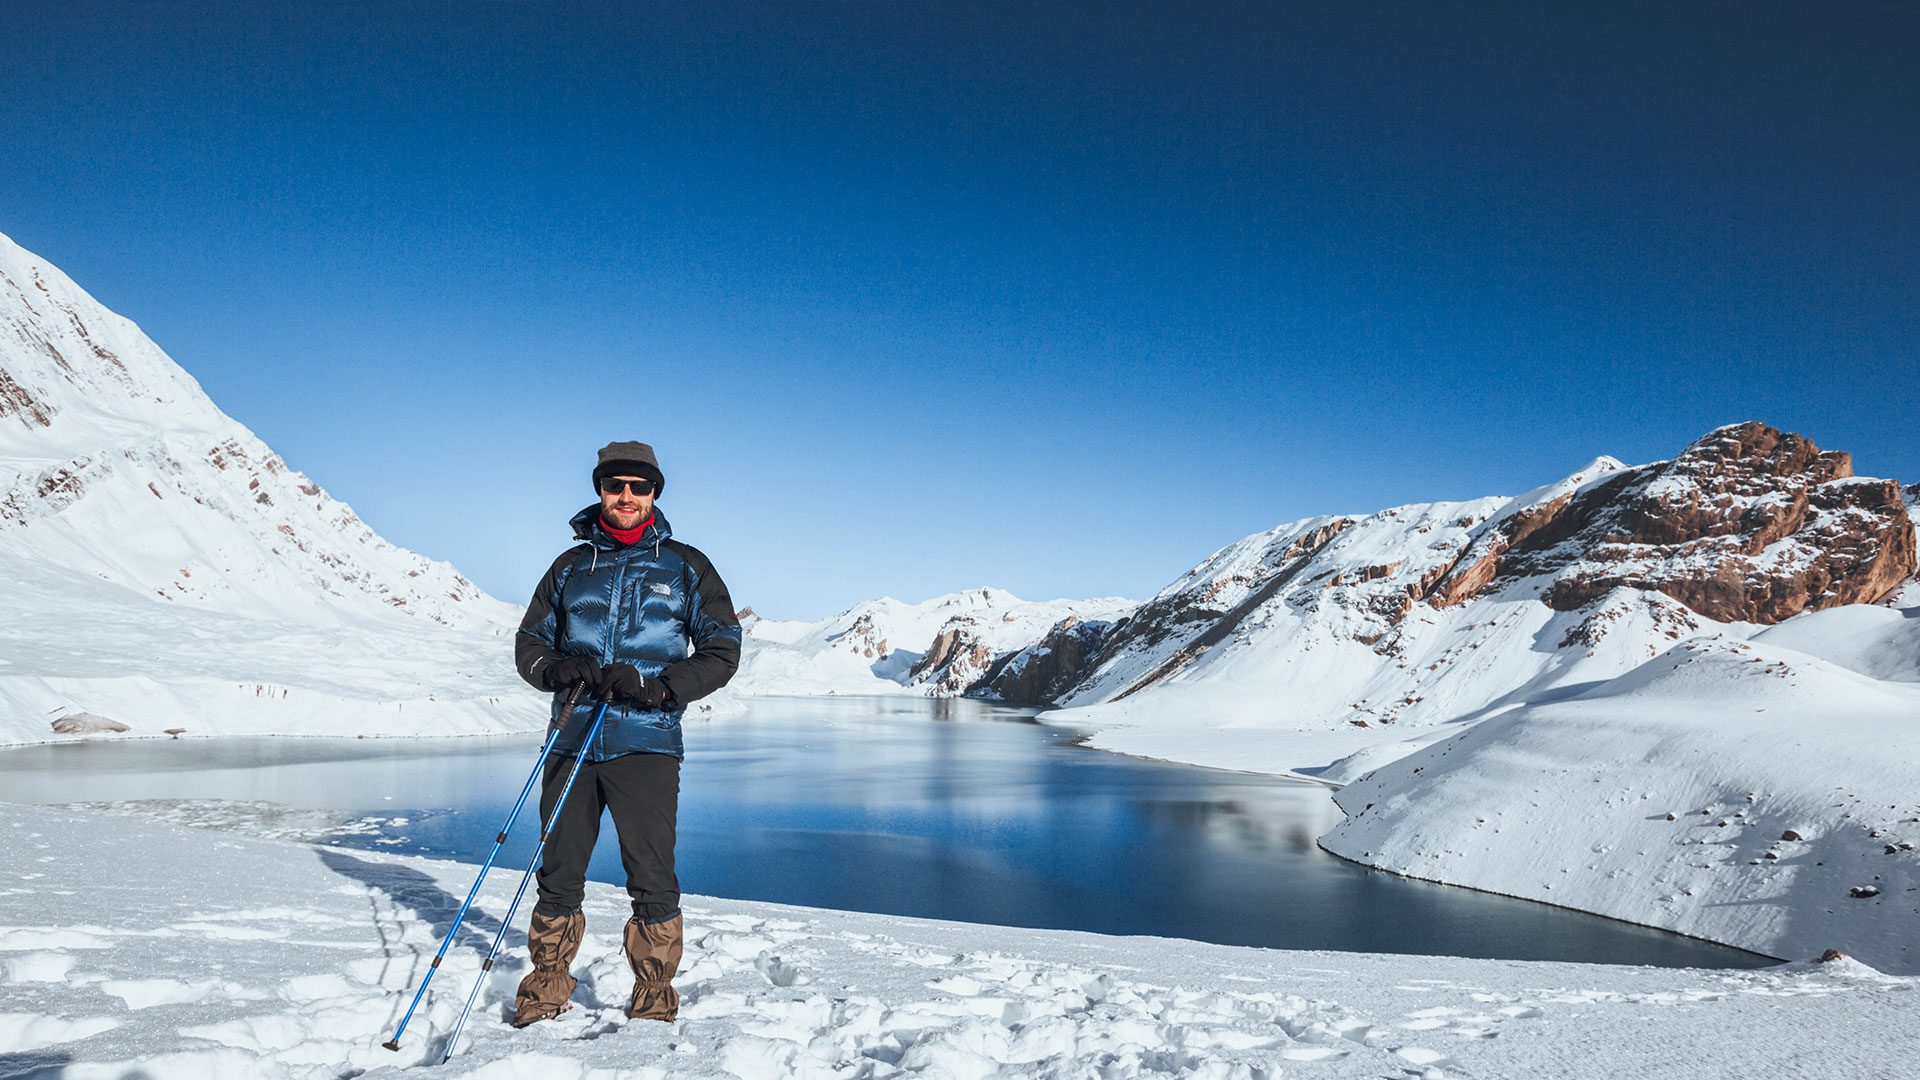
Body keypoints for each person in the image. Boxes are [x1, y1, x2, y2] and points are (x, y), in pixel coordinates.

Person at [509, 440, 742, 1027]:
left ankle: (654, 995)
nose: (628, 497)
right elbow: (530, 645)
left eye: (640, 487)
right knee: (559, 873)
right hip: (572, 739)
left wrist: (659, 688)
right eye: (616, 486)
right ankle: (544, 990)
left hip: (647, 743)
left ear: (656, 493)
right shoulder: (569, 568)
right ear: (600, 490)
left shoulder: (686, 566)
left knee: (652, 875)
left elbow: (722, 649)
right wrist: (557, 670)